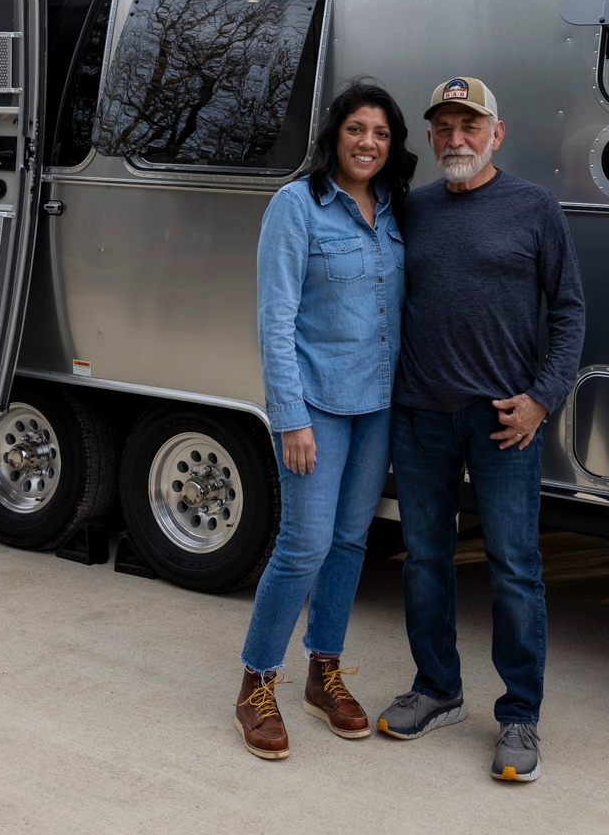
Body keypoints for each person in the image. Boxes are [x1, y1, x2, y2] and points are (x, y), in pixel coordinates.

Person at [374, 76, 585, 783]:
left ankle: (520, 714)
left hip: (504, 424)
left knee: (515, 571)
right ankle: (437, 690)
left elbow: (569, 312)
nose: (456, 139)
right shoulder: (413, 210)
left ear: (497, 133)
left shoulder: (535, 208)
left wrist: (541, 400)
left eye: (471, 126)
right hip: (421, 415)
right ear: (430, 139)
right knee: (426, 561)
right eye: (444, 128)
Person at [235, 79, 417, 760]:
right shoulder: (297, 206)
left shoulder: (395, 210)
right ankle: (256, 683)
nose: (368, 143)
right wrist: (289, 416)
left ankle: (324, 673)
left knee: (349, 544)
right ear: (334, 135)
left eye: (381, 133)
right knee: (303, 545)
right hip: (316, 406)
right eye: (356, 130)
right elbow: (274, 320)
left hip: (378, 405)